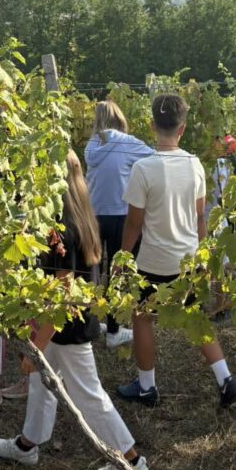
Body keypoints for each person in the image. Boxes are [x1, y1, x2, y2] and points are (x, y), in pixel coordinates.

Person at [0, 150, 149, 470]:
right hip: (67, 323)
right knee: (43, 385)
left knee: (89, 396)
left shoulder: (62, 230)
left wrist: (36, 344)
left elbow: (63, 296)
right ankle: (27, 445)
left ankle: (132, 461)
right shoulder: (80, 215)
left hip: (66, 326)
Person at [115, 94, 236, 408]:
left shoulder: (144, 168)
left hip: (153, 261)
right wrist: (204, 256)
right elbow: (200, 216)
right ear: (183, 128)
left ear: (150, 125)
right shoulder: (195, 164)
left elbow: (134, 224)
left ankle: (147, 387)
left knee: (142, 317)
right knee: (197, 318)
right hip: (188, 259)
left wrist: (122, 260)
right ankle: (226, 380)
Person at [84, 100, 154, 349]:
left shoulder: (92, 144)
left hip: (92, 215)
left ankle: (90, 325)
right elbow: (154, 158)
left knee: (91, 272)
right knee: (117, 272)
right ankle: (114, 331)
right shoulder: (127, 143)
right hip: (120, 215)